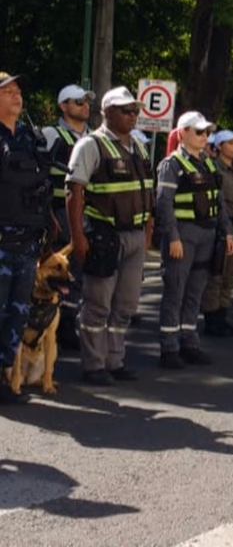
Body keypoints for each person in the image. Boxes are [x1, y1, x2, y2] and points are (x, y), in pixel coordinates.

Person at [66, 86, 154, 385]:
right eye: (125, 110)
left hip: (135, 236)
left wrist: (148, 233)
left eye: (135, 111)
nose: (132, 116)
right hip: (104, 234)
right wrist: (78, 237)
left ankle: (115, 360)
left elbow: (147, 192)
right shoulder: (92, 145)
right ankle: (93, 364)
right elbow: (74, 191)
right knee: (97, 302)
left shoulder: (139, 147)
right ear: (107, 112)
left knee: (126, 304)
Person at [155, 111, 233, 369]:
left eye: (207, 132)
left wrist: (227, 230)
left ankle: (189, 341)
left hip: (207, 234)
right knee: (175, 290)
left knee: (195, 293)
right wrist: (173, 237)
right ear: (183, 133)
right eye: (199, 132)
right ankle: (169, 347)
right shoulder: (172, 164)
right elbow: (164, 204)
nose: (204, 136)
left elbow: (218, 200)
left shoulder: (208, 163)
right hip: (184, 234)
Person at [0, 72, 54, 404]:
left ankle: (7, 377)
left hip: (28, 243)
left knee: (17, 314)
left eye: (19, 92)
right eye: (8, 92)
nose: (17, 97)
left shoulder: (31, 137)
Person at [42, 83, 94, 351]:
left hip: (87, 213)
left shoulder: (94, 138)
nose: (84, 105)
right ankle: (51, 324)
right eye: (77, 101)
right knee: (57, 270)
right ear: (63, 106)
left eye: (86, 101)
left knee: (79, 272)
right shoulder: (51, 134)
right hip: (59, 213)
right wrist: (48, 214)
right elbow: (40, 177)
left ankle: (69, 324)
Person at [201, 129, 233, 338]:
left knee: (230, 273)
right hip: (221, 225)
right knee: (217, 272)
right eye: (229, 143)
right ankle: (212, 317)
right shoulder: (214, 169)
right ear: (219, 146)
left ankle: (223, 313)